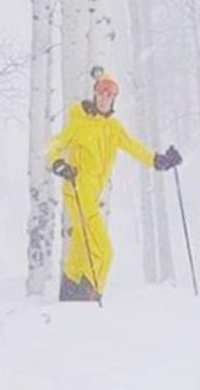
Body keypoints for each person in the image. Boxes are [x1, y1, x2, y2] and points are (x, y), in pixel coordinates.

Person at [46, 68, 182, 301]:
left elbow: (134, 147)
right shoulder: (79, 123)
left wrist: (158, 161)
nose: (105, 97)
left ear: (114, 98)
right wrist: (58, 164)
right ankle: (91, 298)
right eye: (101, 92)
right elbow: (54, 145)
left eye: (110, 94)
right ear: (95, 93)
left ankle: (68, 298)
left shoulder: (113, 128)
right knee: (104, 252)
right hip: (78, 195)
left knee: (80, 252)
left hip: (90, 198)